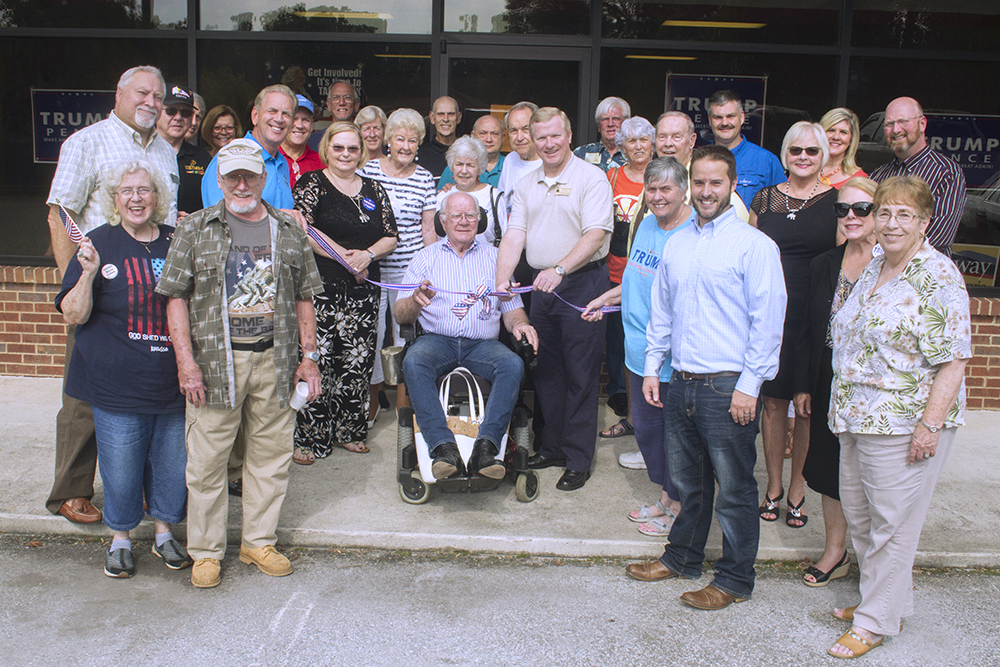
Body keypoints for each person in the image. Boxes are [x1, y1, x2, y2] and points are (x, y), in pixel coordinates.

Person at [156, 138, 324, 589]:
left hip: (276, 357)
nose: (242, 183)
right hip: (216, 361)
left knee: (270, 457)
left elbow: (306, 297)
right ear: (220, 180)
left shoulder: (288, 230)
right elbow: (175, 298)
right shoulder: (194, 229)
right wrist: (185, 363)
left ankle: (257, 542)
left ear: (264, 178)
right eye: (233, 176)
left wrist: (309, 359)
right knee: (208, 461)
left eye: (250, 175)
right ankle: (207, 552)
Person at [625, 145, 786, 611]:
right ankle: (682, 558)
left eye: (717, 182)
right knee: (688, 482)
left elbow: (767, 321)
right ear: (690, 185)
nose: (707, 190)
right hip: (683, 379)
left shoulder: (755, 246)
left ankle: (734, 579)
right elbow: (662, 313)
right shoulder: (678, 242)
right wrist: (653, 368)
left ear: (733, 185)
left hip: (727, 385)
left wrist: (750, 386)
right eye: (700, 182)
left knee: (735, 490)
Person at [826, 176, 971, 658]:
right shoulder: (874, 268)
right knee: (862, 517)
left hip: (904, 419)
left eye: (903, 214)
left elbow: (953, 358)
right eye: (883, 212)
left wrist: (930, 424)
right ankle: (885, 601)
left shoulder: (938, 274)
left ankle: (873, 623)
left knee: (894, 524)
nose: (890, 223)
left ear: (925, 222)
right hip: (855, 415)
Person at [44, 64, 179, 526]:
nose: (152, 102)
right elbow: (61, 213)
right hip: (99, 287)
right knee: (86, 394)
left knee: (146, 392)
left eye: (158, 96)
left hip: (152, 288)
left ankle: (140, 491)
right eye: (142, 93)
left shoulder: (164, 151)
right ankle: (72, 489)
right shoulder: (87, 141)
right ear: (119, 93)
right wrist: (75, 284)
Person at [56, 160, 192, 578]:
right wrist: (88, 273)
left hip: (170, 380)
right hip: (115, 381)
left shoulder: (177, 240)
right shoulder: (98, 244)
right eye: (127, 191)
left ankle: (165, 534)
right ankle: (120, 539)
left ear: (158, 197)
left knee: (171, 464)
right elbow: (72, 315)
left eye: (145, 190)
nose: (137, 198)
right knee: (121, 467)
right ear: (114, 199)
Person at [496, 107, 613, 491]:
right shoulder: (527, 184)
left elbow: (595, 234)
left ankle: (578, 458)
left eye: (554, 136)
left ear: (568, 134)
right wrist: (502, 280)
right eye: (540, 137)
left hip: (580, 285)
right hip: (541, 288)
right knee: (545, 370)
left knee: (580, 374)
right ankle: (553, 447)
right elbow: (514, 233)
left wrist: (560, 269)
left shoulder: (591, 178)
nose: (548, 144)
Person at [582, 157, 695, 536]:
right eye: (652, 189)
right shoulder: (646, 224)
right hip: (636, 352)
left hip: (666, 359)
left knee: (671, 437)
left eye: (666, 189)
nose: (658, 196)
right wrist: (605, 299)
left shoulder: (691, 234)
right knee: (648, 433)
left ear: (683, 191)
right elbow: (633, 278)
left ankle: (678, 505)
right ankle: (666, 496)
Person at [397, 191, 538, 478]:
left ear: (480, 220)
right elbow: (400, 314)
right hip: (437, 341)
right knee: (414, 361)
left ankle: (486, 449)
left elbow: (512, 309)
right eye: (456, 216)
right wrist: (415, 300)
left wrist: (520, 324)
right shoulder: (425, 258)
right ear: (443, 221)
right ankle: (442, 448)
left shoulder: (498, 258)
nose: (464, 221)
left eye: (470, 215)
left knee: (512, 364)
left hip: (482, 344)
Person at [750, 121, 839, 529]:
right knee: (772, 403)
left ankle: (798, 489)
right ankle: (772, 486)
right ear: (785, 154)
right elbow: (748, 257)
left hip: (813, 316)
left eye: (812, 151)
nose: (803, 157)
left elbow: (845, 262)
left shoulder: (838, 203)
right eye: (796, 150)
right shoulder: (763, 200)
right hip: (770, 315)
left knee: (804, 408)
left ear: (824, 156)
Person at [292, 122, 397, 462]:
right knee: (316, 359)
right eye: (339, 148)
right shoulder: (312, 183)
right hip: (320, 286)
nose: (346, 155)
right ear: (327, 150)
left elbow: (391, 235)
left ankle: (349, 430)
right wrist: (344, 256)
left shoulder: (374, 189)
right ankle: (309, 438)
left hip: (363, 289)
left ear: (361, 152)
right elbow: (304, 230)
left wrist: (367, 255)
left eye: (353, 149)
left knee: (357, 361)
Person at [793, 177, 878, 588]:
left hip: (876, 385)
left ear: (879, 212)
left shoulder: (892, 263)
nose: (851, 217)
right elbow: (809, 330)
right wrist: (804, 385)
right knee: (829, 467)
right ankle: (835, 550)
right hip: (829, 377)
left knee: (874, 471)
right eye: (843, 209)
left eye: (862, 209)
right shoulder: (824, 263)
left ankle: (877, 561)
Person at [360, 108, 437, 355]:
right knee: (371, 334)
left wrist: (432, 267)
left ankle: (403, 393)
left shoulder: (424, 178)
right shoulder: (367, 172)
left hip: (409, 270)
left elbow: (428, 228)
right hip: (372, 268)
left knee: (405, 334)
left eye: (412, 140)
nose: (405, 146)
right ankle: (374, 394)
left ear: (418, 146)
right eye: (400, 139)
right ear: (389, 140)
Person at [601, 116, 656, 432]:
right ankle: (623, 399)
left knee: (644, 339)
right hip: (613, 268)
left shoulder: (661, 177)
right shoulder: (611, 176)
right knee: (618, 339)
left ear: (652, 144)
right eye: (631, 141)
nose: (637, 146)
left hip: (645, 271)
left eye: (643, 140)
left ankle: (646, 410)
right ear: (621, 146)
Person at [869, 96, 966, 255]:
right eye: (889, 124)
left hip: (920, 275)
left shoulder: (946, 172)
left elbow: (940, 236)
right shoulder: (878, 175)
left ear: (922, 124)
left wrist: (887, 258)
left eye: (903, 121)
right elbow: (866, 227)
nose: (896, 129)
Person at [202, 84, 297, 209]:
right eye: (272, 111)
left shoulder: (282, 163)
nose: (279, 119)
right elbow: (218, 221)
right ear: (255, 116)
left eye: (286, 114)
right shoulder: (230, 157)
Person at [654, 111, 750, 222]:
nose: (668, 143)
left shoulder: (716, 189)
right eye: (662, 137)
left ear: (692, 141)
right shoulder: (652, 180)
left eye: (676, 137)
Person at [707, 89, 784, 209]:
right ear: (709, 120)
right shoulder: (698, 161)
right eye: (718, 117)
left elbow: (781, 209)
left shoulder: (767, 161)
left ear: (742, 117)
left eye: (730, 116)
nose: (724, 122)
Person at [435, 136, 505, 246]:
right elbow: (437, 239)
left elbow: (505, 238)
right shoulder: (443, 196)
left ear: (480, 168)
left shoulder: (494, 196)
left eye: (470, 165)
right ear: (452, 167)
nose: (464, 171)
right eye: (459, 164)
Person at [156, 84, 211, 218]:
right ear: (157, 112)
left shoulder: (203, 158)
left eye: (185, 113)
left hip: (193, 235)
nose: (178, 117)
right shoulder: (142, 152)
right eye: (171, 111)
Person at [496, 102, 541, 216]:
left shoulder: (550, 162)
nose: (519, 138)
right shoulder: (510, 159)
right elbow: (502, 202)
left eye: (526, 129)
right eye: (514, 130)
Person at [438, 114, 506, 190]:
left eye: (495, 134)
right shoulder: (455, 166)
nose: (489, 139)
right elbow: (441, 197)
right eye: (483, 133)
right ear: (473, 135)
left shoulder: (510, 165)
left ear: (503, 137)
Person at [573, 96, 630, 172]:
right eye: (605, 119)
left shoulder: (634, 155)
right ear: (599, 126)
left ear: (626, 123)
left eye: (616, 119)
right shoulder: (580, 153)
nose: (610, 124)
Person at [280, 95, 324, 188]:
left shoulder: (322, 164)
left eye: (305, 120)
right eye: (293, 119)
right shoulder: (269, 158)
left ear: (311, 126)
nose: (299, 125)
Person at [819, 108, 867, 189]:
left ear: (851, 139)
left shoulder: (860, 180)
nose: (836, 137)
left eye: (843, 132)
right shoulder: (803, 168)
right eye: (831, 130)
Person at [417, 96, 462, 180]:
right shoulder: (420, 155)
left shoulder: (468, 152)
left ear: (458, 117)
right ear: (432, 118)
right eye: (440, 114)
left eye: (451, 114)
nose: (445, 119)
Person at [307, 79, 361, 150]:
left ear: (356, 105)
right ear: (329, 105)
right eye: (336, 98)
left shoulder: (366, 139)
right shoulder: (313, 141)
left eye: (347, 97)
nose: (342, 102)